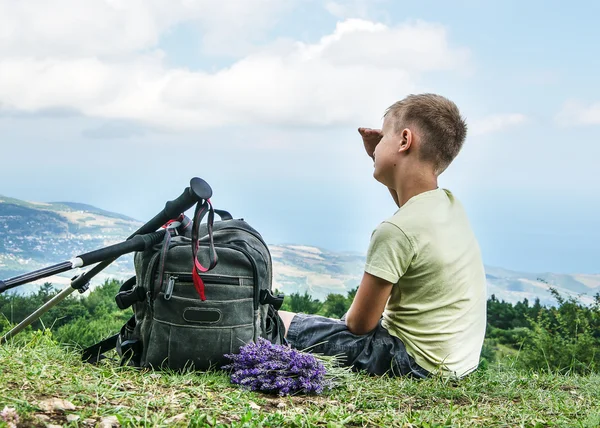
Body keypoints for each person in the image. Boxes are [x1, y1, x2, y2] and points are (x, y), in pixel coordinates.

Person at [278, 93, 487, 380]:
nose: (376, 148)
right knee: (314, 323)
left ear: (404, 140)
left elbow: (360, 325)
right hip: (454, 365)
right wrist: (377, 155)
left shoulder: (395, 231)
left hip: (412, 365)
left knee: (281, 321)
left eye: (383, 137)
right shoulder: (448, 205)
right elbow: (409, 209)